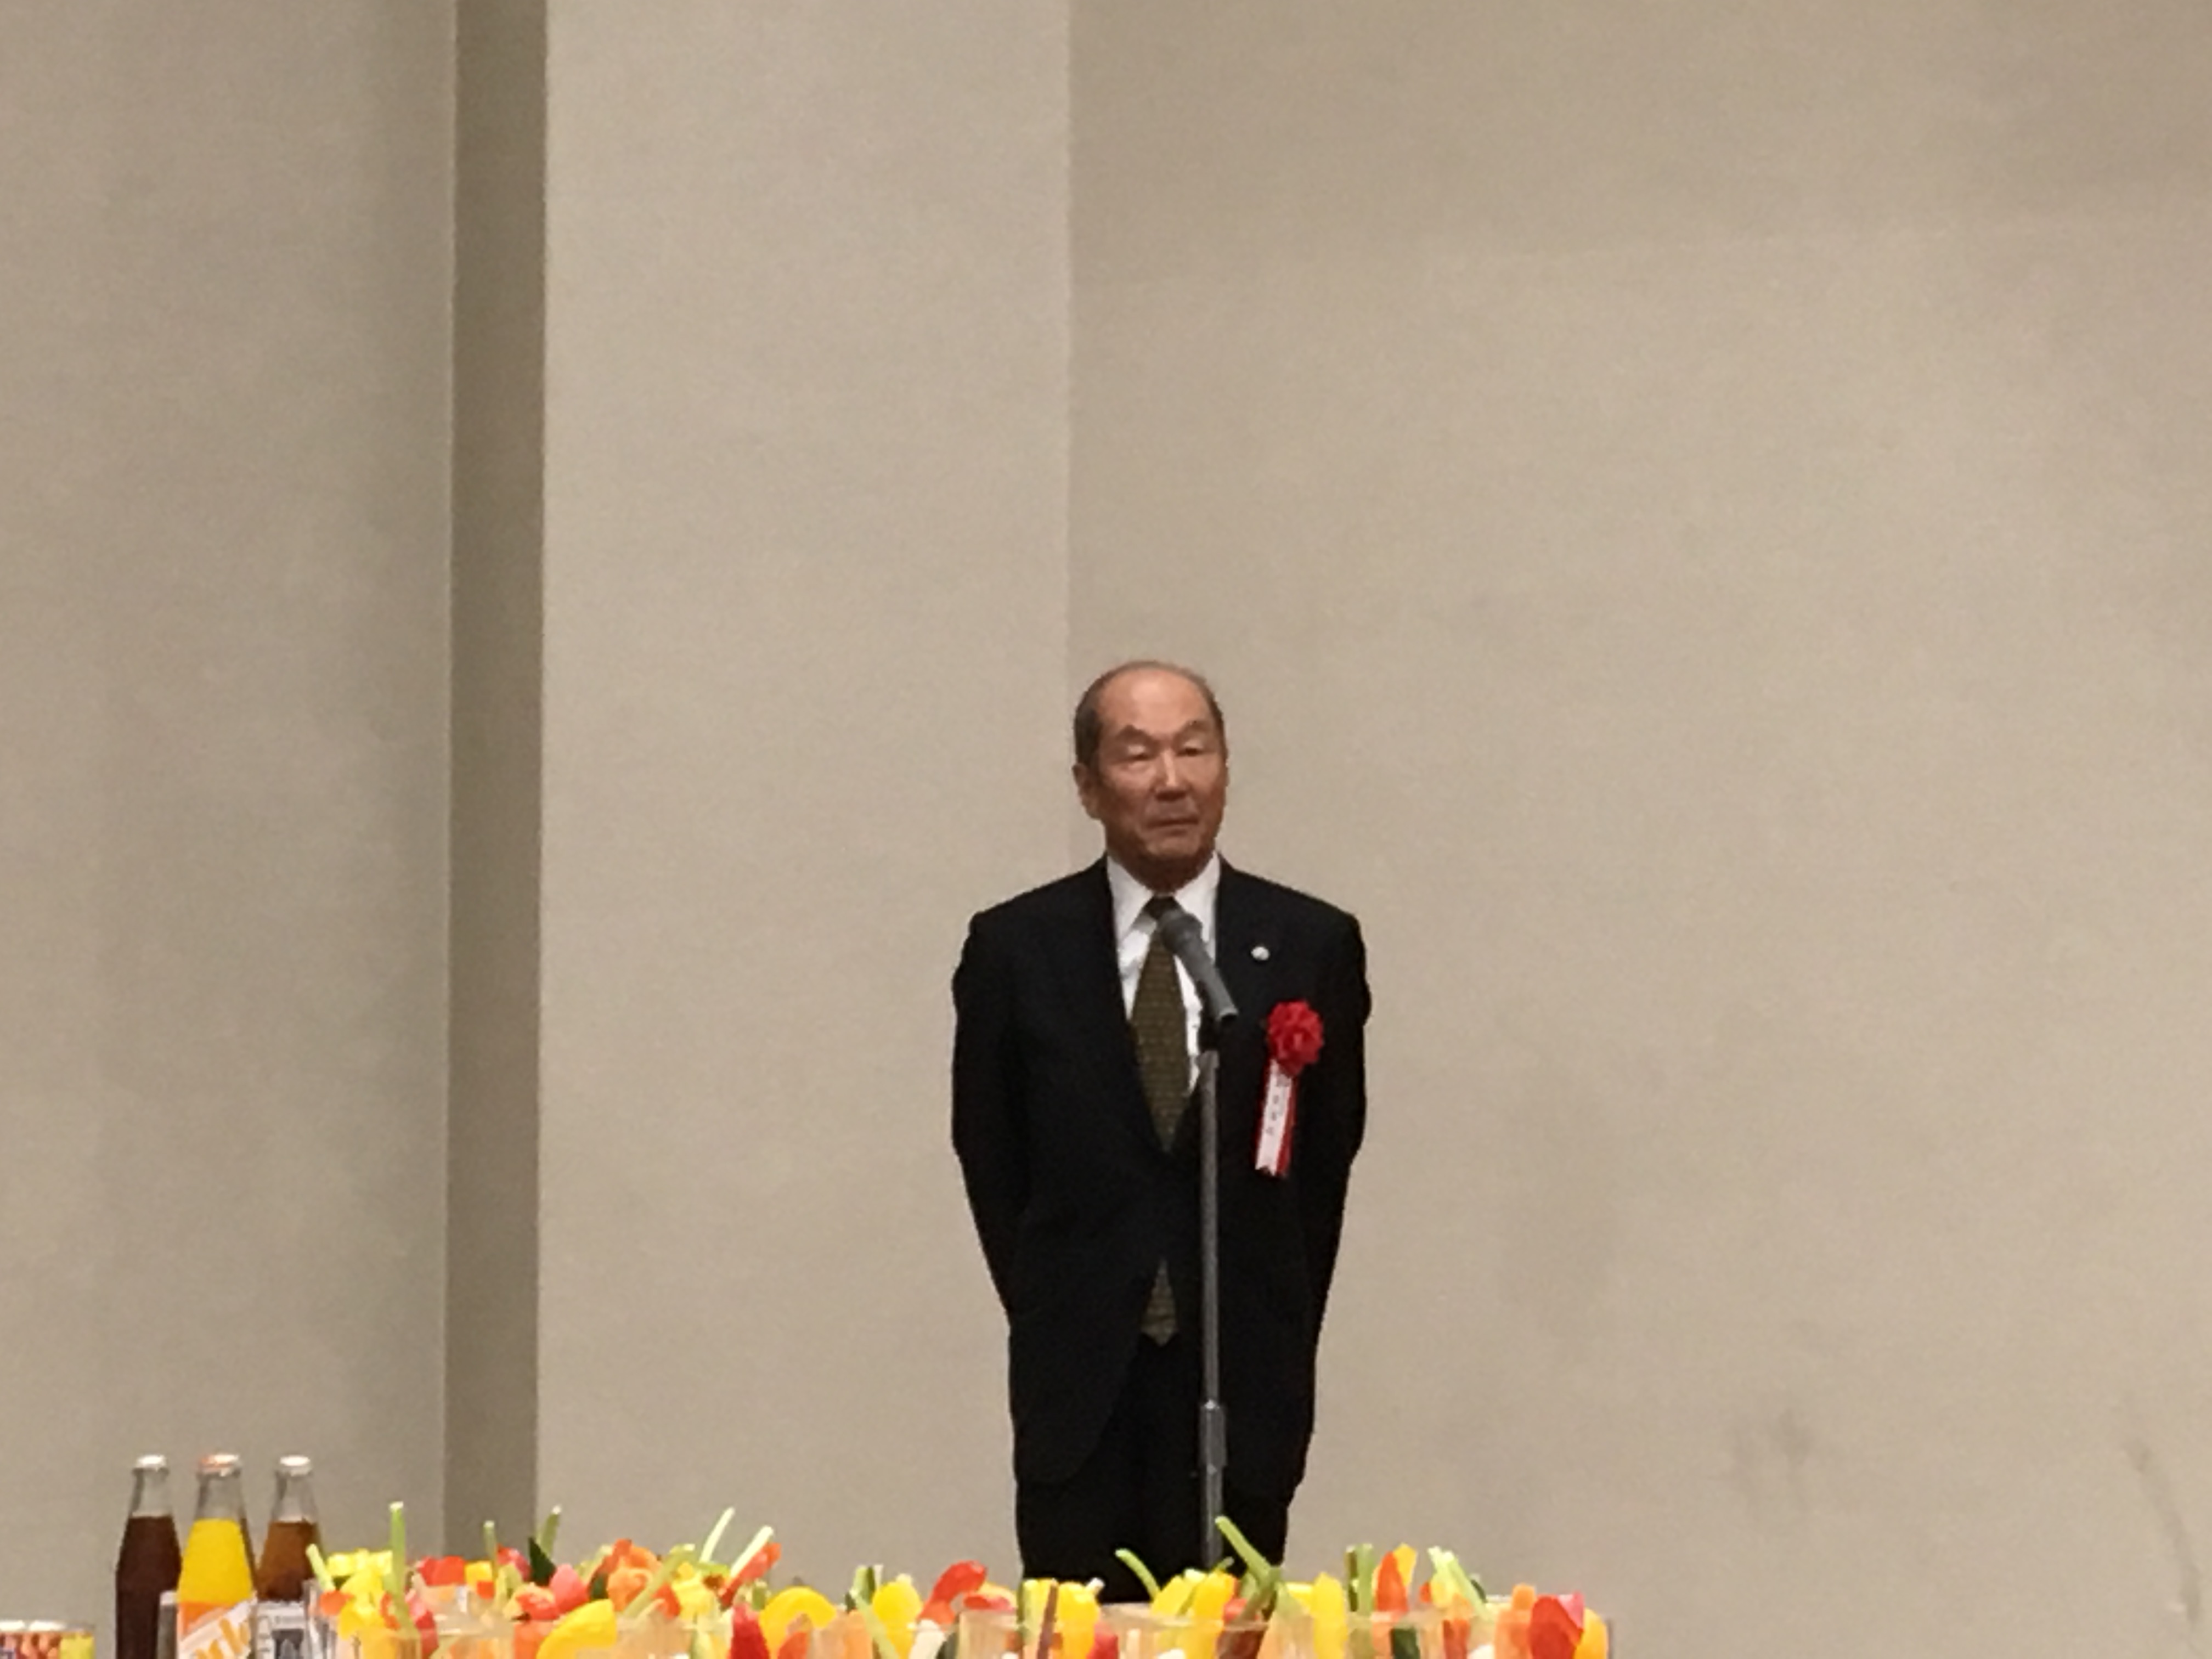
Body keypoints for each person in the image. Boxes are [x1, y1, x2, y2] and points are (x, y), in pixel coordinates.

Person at [952, 661, 1370, 1595]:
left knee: (1229, 1632)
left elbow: (1322, 1174)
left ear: (1225, 766)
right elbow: (993, 1161)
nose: (1172, 779)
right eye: (1138, 755)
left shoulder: (1309, 943)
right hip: (1081, 1388)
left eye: (1195, 748)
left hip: (1239, 1381)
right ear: (1088, 785)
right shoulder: (1016, 949)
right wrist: (1070, 1298)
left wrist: (1265, 1316)